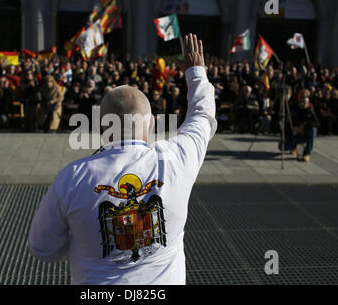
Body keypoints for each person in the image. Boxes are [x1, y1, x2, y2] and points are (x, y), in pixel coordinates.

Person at [28, 34, 217, 284]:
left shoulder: (71, 178)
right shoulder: (177, 160)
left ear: (100, 127)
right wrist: (196, 73)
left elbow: (42, 248)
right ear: (150, 125)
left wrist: (86, 245)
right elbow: (202, 116)